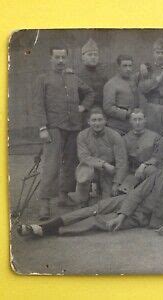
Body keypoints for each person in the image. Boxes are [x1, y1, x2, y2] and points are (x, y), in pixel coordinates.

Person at [17, 156, 163, 237]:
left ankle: (44, 231)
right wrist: (122, 214)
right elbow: (138, 193)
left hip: (142, 218)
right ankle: (43, 226)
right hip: (127, 202)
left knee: (100, 223)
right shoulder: (158, 175)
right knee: (95, 208)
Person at [32, 45, 95, 220]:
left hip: (74, 126)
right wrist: (42, 128)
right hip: (53, 127)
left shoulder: (73, 77)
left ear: (67, 58)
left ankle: (63, 195)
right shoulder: (43, 79)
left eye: (63, 58)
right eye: (57, 57)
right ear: (50, 58)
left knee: (71, 162)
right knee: (51, 165)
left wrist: (83, 107)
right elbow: (38, 105)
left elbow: (89, 93)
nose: (60, 61)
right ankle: (45, 203)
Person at [75, 107, 128, 207]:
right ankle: (83, 200)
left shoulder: (114, 135)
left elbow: (122, 161)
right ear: (88, 122)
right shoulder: (82, 135)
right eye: (94, 120)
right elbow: (83, 157)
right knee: (83, 170)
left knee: (106, 204)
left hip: (109, 172)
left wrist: (117, 183)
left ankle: (101, 191)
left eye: (100, 120)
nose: (97, 123)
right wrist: (103, 164)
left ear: (105, 121)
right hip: (92, 170)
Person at [119, 108, 160, 193]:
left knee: (152, 172)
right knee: (123, 193)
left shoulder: (155, 137)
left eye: (140, 119)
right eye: (135, 119)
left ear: (145, 120)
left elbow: (158, 156)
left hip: (148, 172)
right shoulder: (124, 139)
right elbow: (123, 162)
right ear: (130, 121)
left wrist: (144, 165)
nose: (137, 123)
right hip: (132, 173)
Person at [103, 54, 142, 135]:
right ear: (118, 67)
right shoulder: (111, 84)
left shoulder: (133, 81)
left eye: (130, 66)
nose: (128, 69)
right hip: (117, 128)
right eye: (125, 66)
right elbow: (108, 108)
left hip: (132, 127)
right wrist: (127, 114)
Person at [78, 38, 108, 123]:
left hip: (102, 113)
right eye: (90, 55)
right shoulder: (77, 75)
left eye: (95, 55)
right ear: (83, 57)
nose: (93, 57)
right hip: (85, 115)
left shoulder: (103, 75)